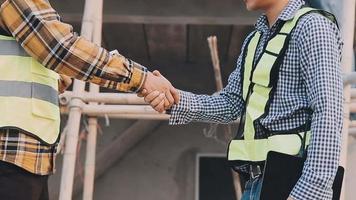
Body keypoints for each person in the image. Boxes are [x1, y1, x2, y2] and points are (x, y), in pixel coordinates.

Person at [141, 0, 343, 199]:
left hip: (295, 184)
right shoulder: (254, 39)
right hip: (257, 183)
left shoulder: (313, 27)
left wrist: (312, 190)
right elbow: (231, 103)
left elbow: (329, 110)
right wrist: (174, 98)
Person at [0, 0, 178, 199]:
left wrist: (53, 77)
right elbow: (60, 48)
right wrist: (141, 79)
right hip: (9, 152)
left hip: (24, 156)